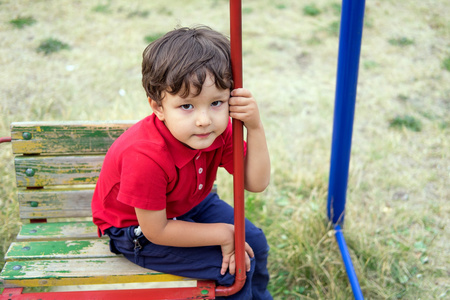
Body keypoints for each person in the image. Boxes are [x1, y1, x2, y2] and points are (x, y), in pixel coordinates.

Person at [91, 26, 271, 299]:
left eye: (216, 102)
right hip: (138, 230)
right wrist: (224, 233)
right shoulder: (145, 155)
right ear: (157, 107)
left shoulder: (217, 132)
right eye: (187, 106)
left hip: (189, 202)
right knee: (233, 269)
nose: (204, 120)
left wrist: (254, 127)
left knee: (254, 243)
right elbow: (157, 230)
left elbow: (255, 183)